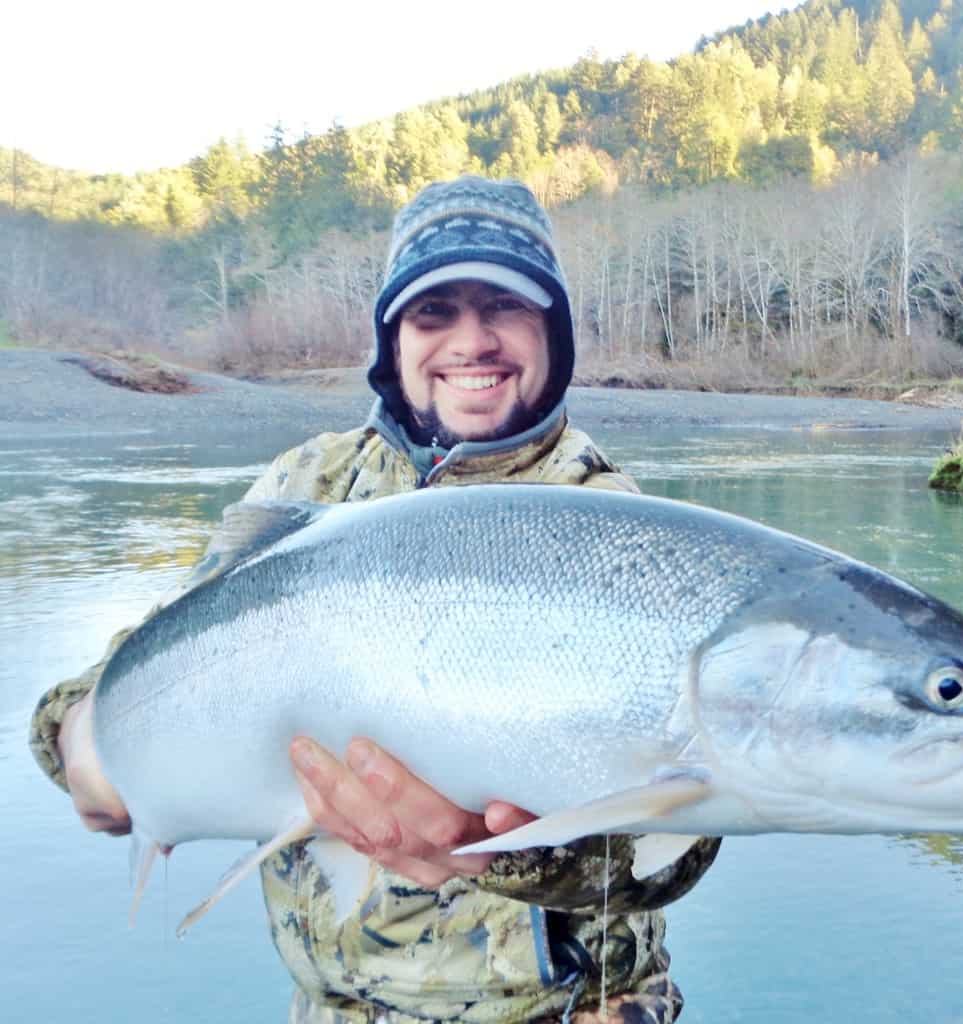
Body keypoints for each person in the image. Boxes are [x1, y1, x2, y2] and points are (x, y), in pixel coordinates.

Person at [30, 176, 720, 1023]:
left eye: (504, 306)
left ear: (552, 333)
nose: (473, 341)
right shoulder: (306, 483)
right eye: (435, 314)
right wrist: (74, 743)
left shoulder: (614, 523)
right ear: (393, 340)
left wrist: (488, 852)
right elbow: (151, 661)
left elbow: (673, 852)